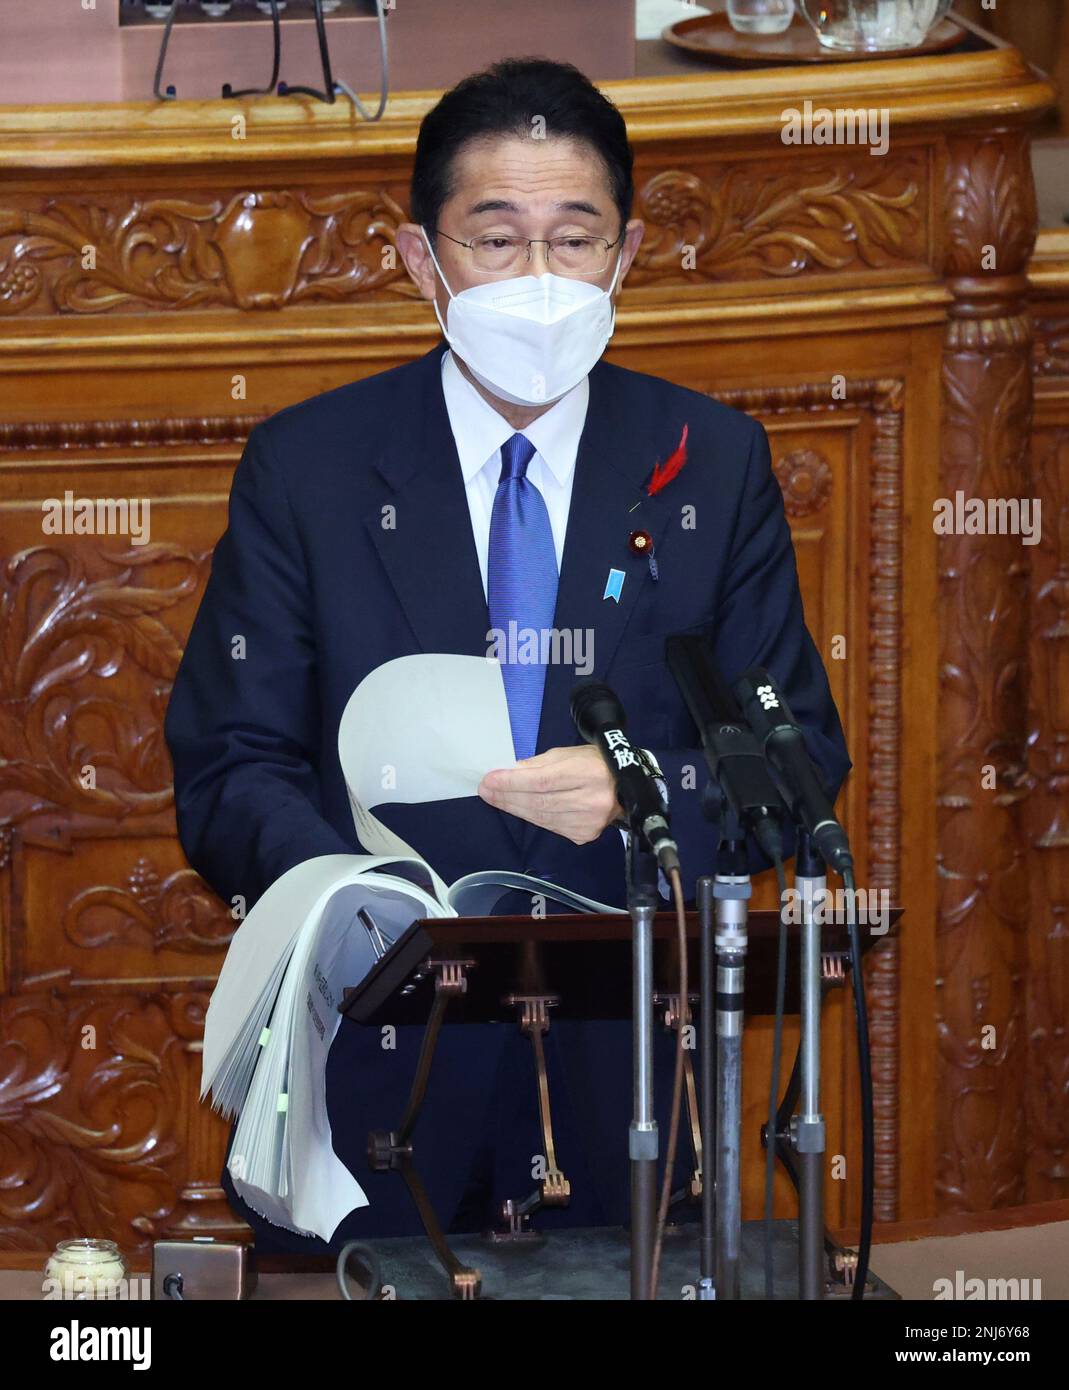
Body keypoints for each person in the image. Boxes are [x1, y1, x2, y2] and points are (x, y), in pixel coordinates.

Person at [164, 57, 851, 1255]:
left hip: (628, 1069)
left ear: (625, 257)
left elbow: (796, 766)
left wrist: (647, 791)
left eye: (574, 239)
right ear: (421, 260)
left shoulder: (714, 461)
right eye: (496, 238)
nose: (540, 278)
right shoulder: (309, 468)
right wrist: (354, 905)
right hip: (379, 1048)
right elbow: (229, 763)